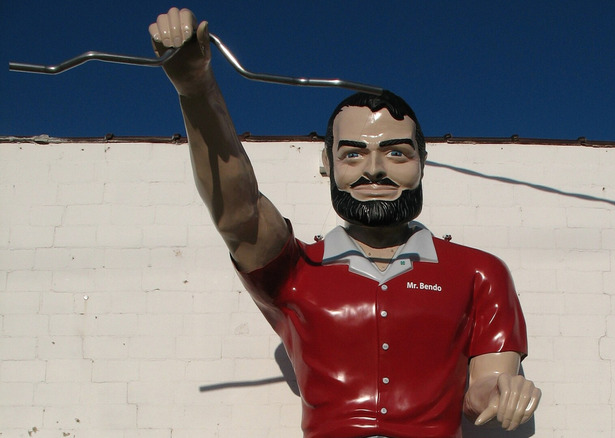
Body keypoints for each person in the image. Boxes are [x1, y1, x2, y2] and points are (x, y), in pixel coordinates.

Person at [149, 7, 541, 438]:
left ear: (422, 162)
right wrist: (195, 89)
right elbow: (238, 213)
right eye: (352, 154)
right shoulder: (295, 270)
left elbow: (480, 392)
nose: (374, 169)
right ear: (327, 164)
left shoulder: (478, 272)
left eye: (396, 153)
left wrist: (503, 392)